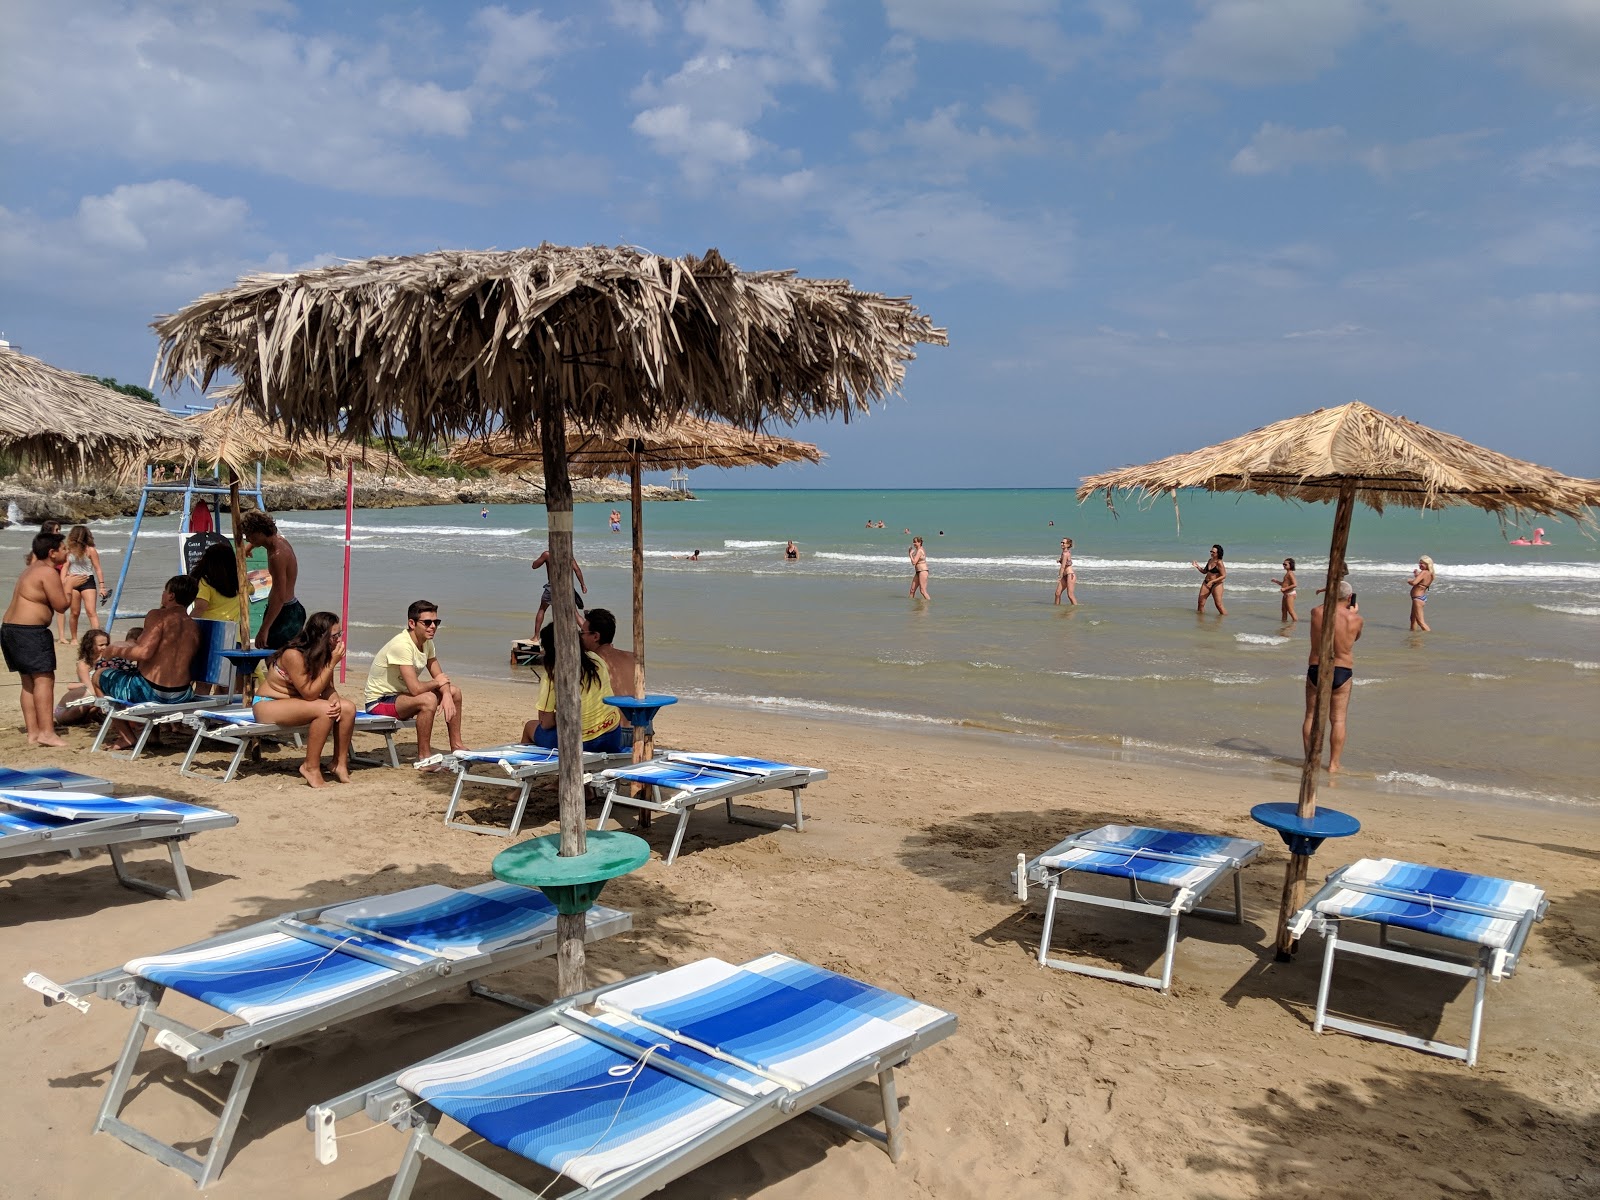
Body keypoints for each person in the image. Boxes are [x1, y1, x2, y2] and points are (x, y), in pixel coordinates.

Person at [251, 611, 357, 788]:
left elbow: (327, 687)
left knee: (348, 708)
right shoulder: (294, 655)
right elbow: (309, 693)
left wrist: (335, 699)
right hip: (269, 703)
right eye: (334, 635)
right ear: (321, 637)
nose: (338, 640)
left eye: (340, 634)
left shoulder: (324, 653)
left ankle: (339, 763)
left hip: (297, 703)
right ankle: (310, 767)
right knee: (325, 710)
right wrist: (332, 664)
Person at [363, 599, 465, 764]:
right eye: (427, 622)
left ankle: (457, 746)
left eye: (436, 622)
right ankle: (424, 757)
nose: (433, 626)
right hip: (380, 701)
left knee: (455, 692)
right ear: (412, 623)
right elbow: (416, 689)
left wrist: (446, 694)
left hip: (401, 696)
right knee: (428, 699)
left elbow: (439, 675)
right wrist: (437, 683)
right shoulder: (402, 645)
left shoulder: (427, 643)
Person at [4, 532, 71, 745]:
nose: (67, 551)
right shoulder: (46, 571)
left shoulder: (30, 569)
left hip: (11, 629)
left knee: (28, 681)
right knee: (44, 679)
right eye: (64, 548)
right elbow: (61, 605)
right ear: (52, 553)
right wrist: (69, 585)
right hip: (29, 631)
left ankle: (33, 732)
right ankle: (46, 732)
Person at [95, 575, 200, 708]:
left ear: (171, 596)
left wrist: (114, 650)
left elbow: (144, 652)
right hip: (182, 694)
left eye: (165, 591)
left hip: (151, 692)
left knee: (98, 675)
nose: (163, 594)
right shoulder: (193, 625)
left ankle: (124, 728)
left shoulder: (157, 615)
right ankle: (147, 727)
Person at [521, 622, 628, 752]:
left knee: (529, 727)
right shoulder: (596, 659)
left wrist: (561, 715)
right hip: (612, 735)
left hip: (580, 742)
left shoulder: (553, 674)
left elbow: (545, 723)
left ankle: (524, 768)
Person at [1303, 580, 1364, 773]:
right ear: (1349, 598)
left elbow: (1322, 608)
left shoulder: (1317, 612)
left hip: (1317, 667)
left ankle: (1310, 761)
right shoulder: (1356, 619)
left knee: (1311, 716)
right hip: (1341, 670)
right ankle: (1333, 764)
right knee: (1338, 719)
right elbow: (1355, 638)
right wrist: (1351, 612)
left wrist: (1327, 592)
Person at [240, 510, 303, 650]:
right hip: (292, 608)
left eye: (249, 535)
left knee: (275, 659)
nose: (247, 538)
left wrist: (264, 629)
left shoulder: (277, 556)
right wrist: (249, 547)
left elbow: (279, 596)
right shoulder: (278, 540)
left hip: (285, 613)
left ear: (260, 532)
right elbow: (259, 541)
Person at [188, 542, 244, 695]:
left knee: (203, 683)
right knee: (227, 684)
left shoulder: (205, 582)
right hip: (233, 638)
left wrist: (183, 624)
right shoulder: (239, 582)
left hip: (210, 636)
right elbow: (251, 589)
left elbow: (200, 607)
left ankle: (200, 713)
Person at [60, 525, 108, 643]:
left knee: (91, 611)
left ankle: (96, 638)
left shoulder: (90, 550)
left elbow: (98, 568)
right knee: (74, 612)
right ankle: (74, 638)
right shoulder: (69, 550)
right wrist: (64, 580)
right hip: (73, 581)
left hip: (87, 580)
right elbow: (65, 567)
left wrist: (102, 586)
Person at [53, 629, 112, 725]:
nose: (104, 647)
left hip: (88, 700)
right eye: (101, 645)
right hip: (65, 711)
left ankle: (87, 720)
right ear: (90, 646)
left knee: (97, 704)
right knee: (96, 701)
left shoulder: (107, 661)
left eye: (106, 644)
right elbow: (91, 689)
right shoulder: (83, 664)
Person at [529, 545, 586, 635]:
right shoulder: (568, 556)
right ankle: (588, 634)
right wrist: (583, 585)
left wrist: (537, 560)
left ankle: (536, 636)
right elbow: (577, 570)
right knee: (575, 613)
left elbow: (534, 566)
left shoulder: (547, 554)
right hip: (567, 587)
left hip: (552, 586)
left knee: (542, 609)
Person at [583, 608, 638, 698]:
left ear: (596, 636)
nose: (580, 637)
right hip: (634, 711)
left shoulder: (592, 663)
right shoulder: (633, 657)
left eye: (581, 633)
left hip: (610, 712)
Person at [1192, 544, 1227, 615]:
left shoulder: (1219, 562)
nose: (1211, 553)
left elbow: (1224, 575)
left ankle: (1224, 619)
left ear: (1218, 553)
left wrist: (1212, 581)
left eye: (1213, 552)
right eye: (1211, 551)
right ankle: (1201, 621)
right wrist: (1197, 566)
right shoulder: (1210, 560)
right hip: (1206, 583)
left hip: (1216, 584)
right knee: (1200, 603)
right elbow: (1204, 571)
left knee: (1218, 605)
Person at [1407, 555, 1435, 632]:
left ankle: (1430, 635)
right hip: (1420, 598)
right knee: (1413, 618)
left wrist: (1409, 581)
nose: (1419, 565)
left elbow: (1414, 583)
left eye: (1422, 563)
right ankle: (1413, 634)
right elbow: (1422, 582)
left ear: (1427, 564)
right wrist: (1417, 575)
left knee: (1421, 622)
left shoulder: (1424, 572)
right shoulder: (1430, 573)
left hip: (1417, 599)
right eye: (1419, 563)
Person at [1273, 557, 1298, 623]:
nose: (1284, 565)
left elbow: (1295, 584)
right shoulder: (1287, 573)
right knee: (1284, 610)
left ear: (1290, 565)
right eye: (1283, 564)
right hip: (1286, 594)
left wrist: (1285, 589)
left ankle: (1295, 624)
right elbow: (1284, 584)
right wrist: (1276, 581)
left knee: (1290, 610)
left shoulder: (1290, 573)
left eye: (1285, 564)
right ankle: (1284, 623)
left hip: (1290, 594)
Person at [1053, 537, 1077, 605]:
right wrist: (1060, 560)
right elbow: (1066, 561)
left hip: (1070, 575)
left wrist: (1059, 577)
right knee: (1057, 593)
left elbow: (1063, 567)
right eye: (1061, 542)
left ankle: (1075, 608)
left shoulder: (1065, 553)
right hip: (1065, 575)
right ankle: (1056, 608)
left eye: (1063, 543)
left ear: (1068, 545)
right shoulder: (1065, 552)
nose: (1061, 544)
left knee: (1070, 595)